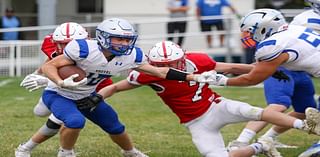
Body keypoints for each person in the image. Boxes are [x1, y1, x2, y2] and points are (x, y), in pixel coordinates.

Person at [97, 40, 320, 157]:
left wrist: (266, 69)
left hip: (216, 106)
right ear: (153, 64)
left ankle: (308, 125)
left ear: (182, 56)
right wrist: (97, 97)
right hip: (196, 122)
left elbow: (231, 66)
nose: (169, 68)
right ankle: (262, 146)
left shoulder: (197, 60)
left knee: (253, 111)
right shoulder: (146, 73)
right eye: (162, 66)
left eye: (173, 63)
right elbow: (116, 87)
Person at [39, 18, 207, 157]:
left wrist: (192, 76)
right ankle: (65, 152)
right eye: (119, 39)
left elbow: (159, 72)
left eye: (127, 39)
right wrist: (60, 82)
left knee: (114, 124)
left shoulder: (131, 55)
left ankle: (129, 151)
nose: (125, 43)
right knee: (73, 120)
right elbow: (48, 66)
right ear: (104, 37)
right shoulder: (83, 49)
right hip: (61, 92)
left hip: (86, 93)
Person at [227, 5, 318, 151]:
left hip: (299, 68)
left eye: (250, 31)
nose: (246, 35)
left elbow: (254, 72)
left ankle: (268, 138)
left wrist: (223, 78)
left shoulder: (274, 44)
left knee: (305, 109)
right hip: (287, 67)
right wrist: (225, 74)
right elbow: (257, 71)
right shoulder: (297, 26)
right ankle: (240, 142)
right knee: (279, 104)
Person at [15, 22, 113, 157]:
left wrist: (46, 80)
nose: (65, 47)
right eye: (61, 43)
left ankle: (62, 150)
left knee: (67, 120)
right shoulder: (51, 43)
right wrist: (38, 74)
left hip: (82, 89)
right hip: (59, 84)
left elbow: (94, 83)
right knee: (40, 112)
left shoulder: (94, 52)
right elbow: (52, 62)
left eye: (69, 43)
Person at [203, 8, 320, 87]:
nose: (250, 35)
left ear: (264, 28)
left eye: (251, 31)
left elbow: (251, 79)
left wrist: (222, 81)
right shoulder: (295, 29)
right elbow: (261, 66)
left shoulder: (274, 44)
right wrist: (233, 68)